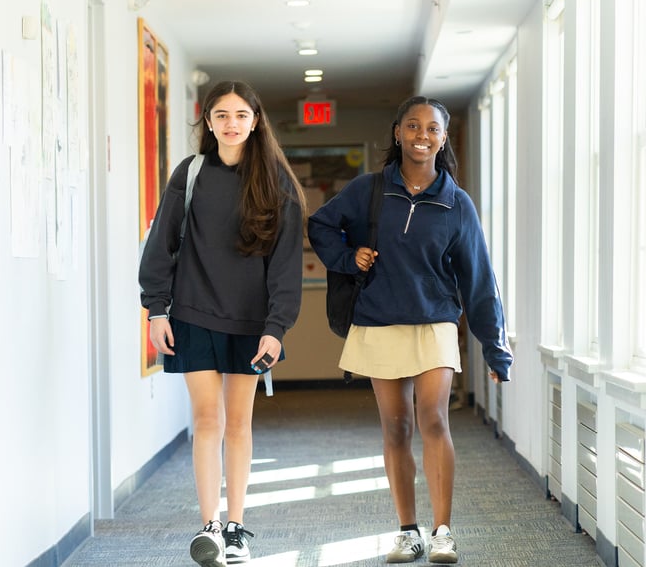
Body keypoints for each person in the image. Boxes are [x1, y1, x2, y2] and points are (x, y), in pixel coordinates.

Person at [307, 96, 512, 564]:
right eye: (413, 126)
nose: (423, 135)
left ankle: (443, 531)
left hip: (435, 322)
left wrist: (495, 347)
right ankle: (408, 530)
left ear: (443, 138)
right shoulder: (369, 190)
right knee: (396, 427)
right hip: (380, 321)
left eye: (433, 129)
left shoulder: (456, 203)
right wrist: (346, 257)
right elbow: (320, 225)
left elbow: (479, 278)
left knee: (434, 418)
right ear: (397, 133)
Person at [139, 80, 306, 567]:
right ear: (207, 122)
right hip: (192, 316)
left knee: (239, 424)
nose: (231, 123)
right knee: (207, 420)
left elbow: (285, 264)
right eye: (221, 115)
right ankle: (209, 523)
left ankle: (236, 526)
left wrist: (277, 327)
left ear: (255, 121)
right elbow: (160, 245)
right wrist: (156, 309)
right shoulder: (189, 175)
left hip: (253, 324)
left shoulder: (276, 182)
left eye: (239, 115)